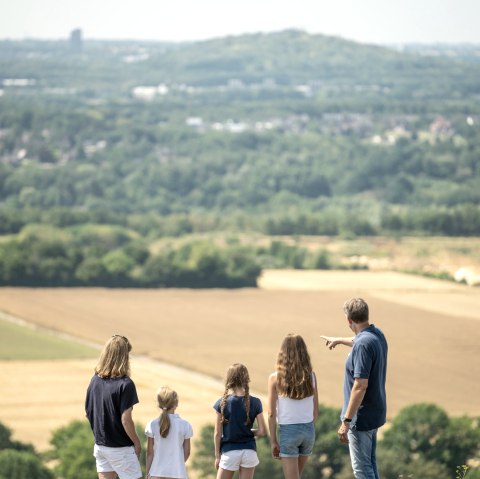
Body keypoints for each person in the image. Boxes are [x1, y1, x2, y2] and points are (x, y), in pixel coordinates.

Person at [321, 298, 388, 479]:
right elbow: (359, 340)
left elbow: (360, 385)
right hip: (375, 412)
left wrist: (347, 421)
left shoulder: (363, 345)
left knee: (362, 470)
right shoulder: (377, 334)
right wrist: (339, 340)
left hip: (361, 416)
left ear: (348, 320)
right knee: (370, 464)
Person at [85, 334, 142, 479]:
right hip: (121, 448)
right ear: (124, 357)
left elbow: (88, 413)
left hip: (101, 446)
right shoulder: (126, 384)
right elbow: (125, 420)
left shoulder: (95, 380)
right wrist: (136, 442)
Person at [267, 334, 319, 479]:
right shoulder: (311, 376)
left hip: (288, 431)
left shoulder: (274, 378)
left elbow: (271, 413)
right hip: (308, 431)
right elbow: (316, 412)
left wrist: (273, 442)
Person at [213, 363, 267, 479]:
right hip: (249, 452)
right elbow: (263, 431)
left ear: (229, 380)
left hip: (229, 452)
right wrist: (248, 431)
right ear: (246, 379)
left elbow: (217, 434)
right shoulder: (256, 402)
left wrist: (217, 456)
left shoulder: (221, 403)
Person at [145, 386, 193, 479]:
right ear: (176, 404)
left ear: (158, 404)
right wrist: (177, 465)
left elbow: (150, 453)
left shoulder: (152, 424)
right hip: (178, 474)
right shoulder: (185, 425)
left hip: (155, 473)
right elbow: (187, 452)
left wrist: (148, 473)